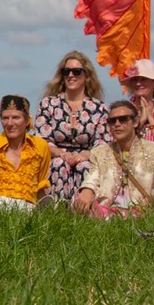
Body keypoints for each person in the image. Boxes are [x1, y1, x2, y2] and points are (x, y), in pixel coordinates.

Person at [72, 100, 154, 217]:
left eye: (123, 119)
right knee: (78, 202)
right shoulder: (100, 152)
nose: (117, 124)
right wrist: (87, 190)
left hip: (142, 213)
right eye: (112, 121)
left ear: (135, 122)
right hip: (106, 211)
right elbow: (92, 179)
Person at [33, 51, 109, 202]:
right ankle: (56, 208)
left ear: (87, 75)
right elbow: (41, 140)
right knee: (59, 164)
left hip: (87, 158)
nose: (71, 75)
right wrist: (62, 153)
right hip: (56, 158)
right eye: (66, 71)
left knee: (85, 167)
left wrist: (84, 155)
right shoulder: (48, 104)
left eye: (76, 71)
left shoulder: (99, 108)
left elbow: (103, 142)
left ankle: (85, 209)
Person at [122, 58, 154, 168]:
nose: (138, 83)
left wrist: (150, 118)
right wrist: (140, 123)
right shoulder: (123, 112)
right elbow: (119, 144)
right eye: (134, 80)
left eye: (143, 79)